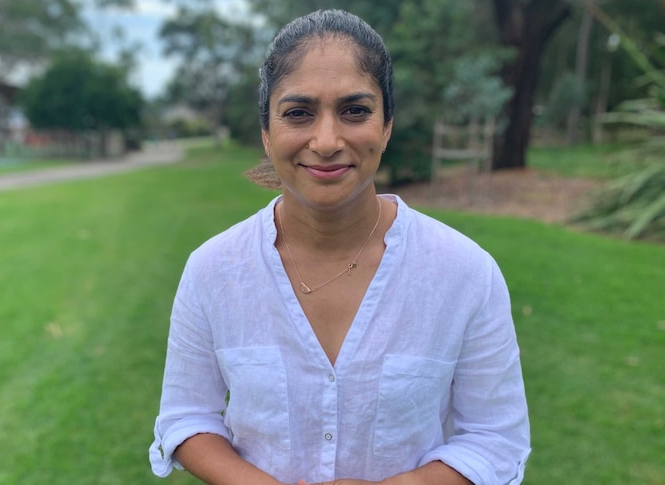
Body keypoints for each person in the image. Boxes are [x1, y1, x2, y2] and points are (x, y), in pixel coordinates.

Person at [149, 9, 530, 485]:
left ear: (387, 125)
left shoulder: (464, 272)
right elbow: (186, 418)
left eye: (354, 110)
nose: (326, 140)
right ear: (267, 134)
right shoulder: (213, 270)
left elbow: (496, 437)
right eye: (298, 113)